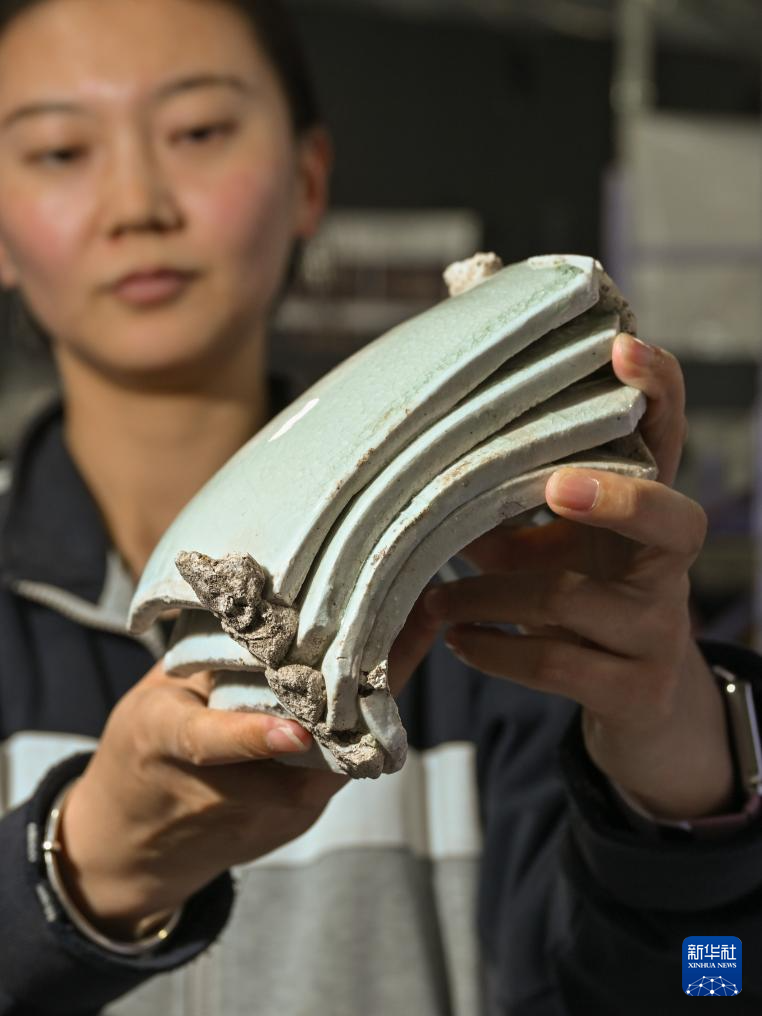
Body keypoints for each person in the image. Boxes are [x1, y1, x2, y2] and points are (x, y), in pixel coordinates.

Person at [0, 1, 760, 1013]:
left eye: (199, 131)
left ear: (309, 179)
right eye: (59, 150)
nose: (137, 203)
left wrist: (685, 796)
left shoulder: (495, 595)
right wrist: (80, 873)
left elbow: (716, 984)